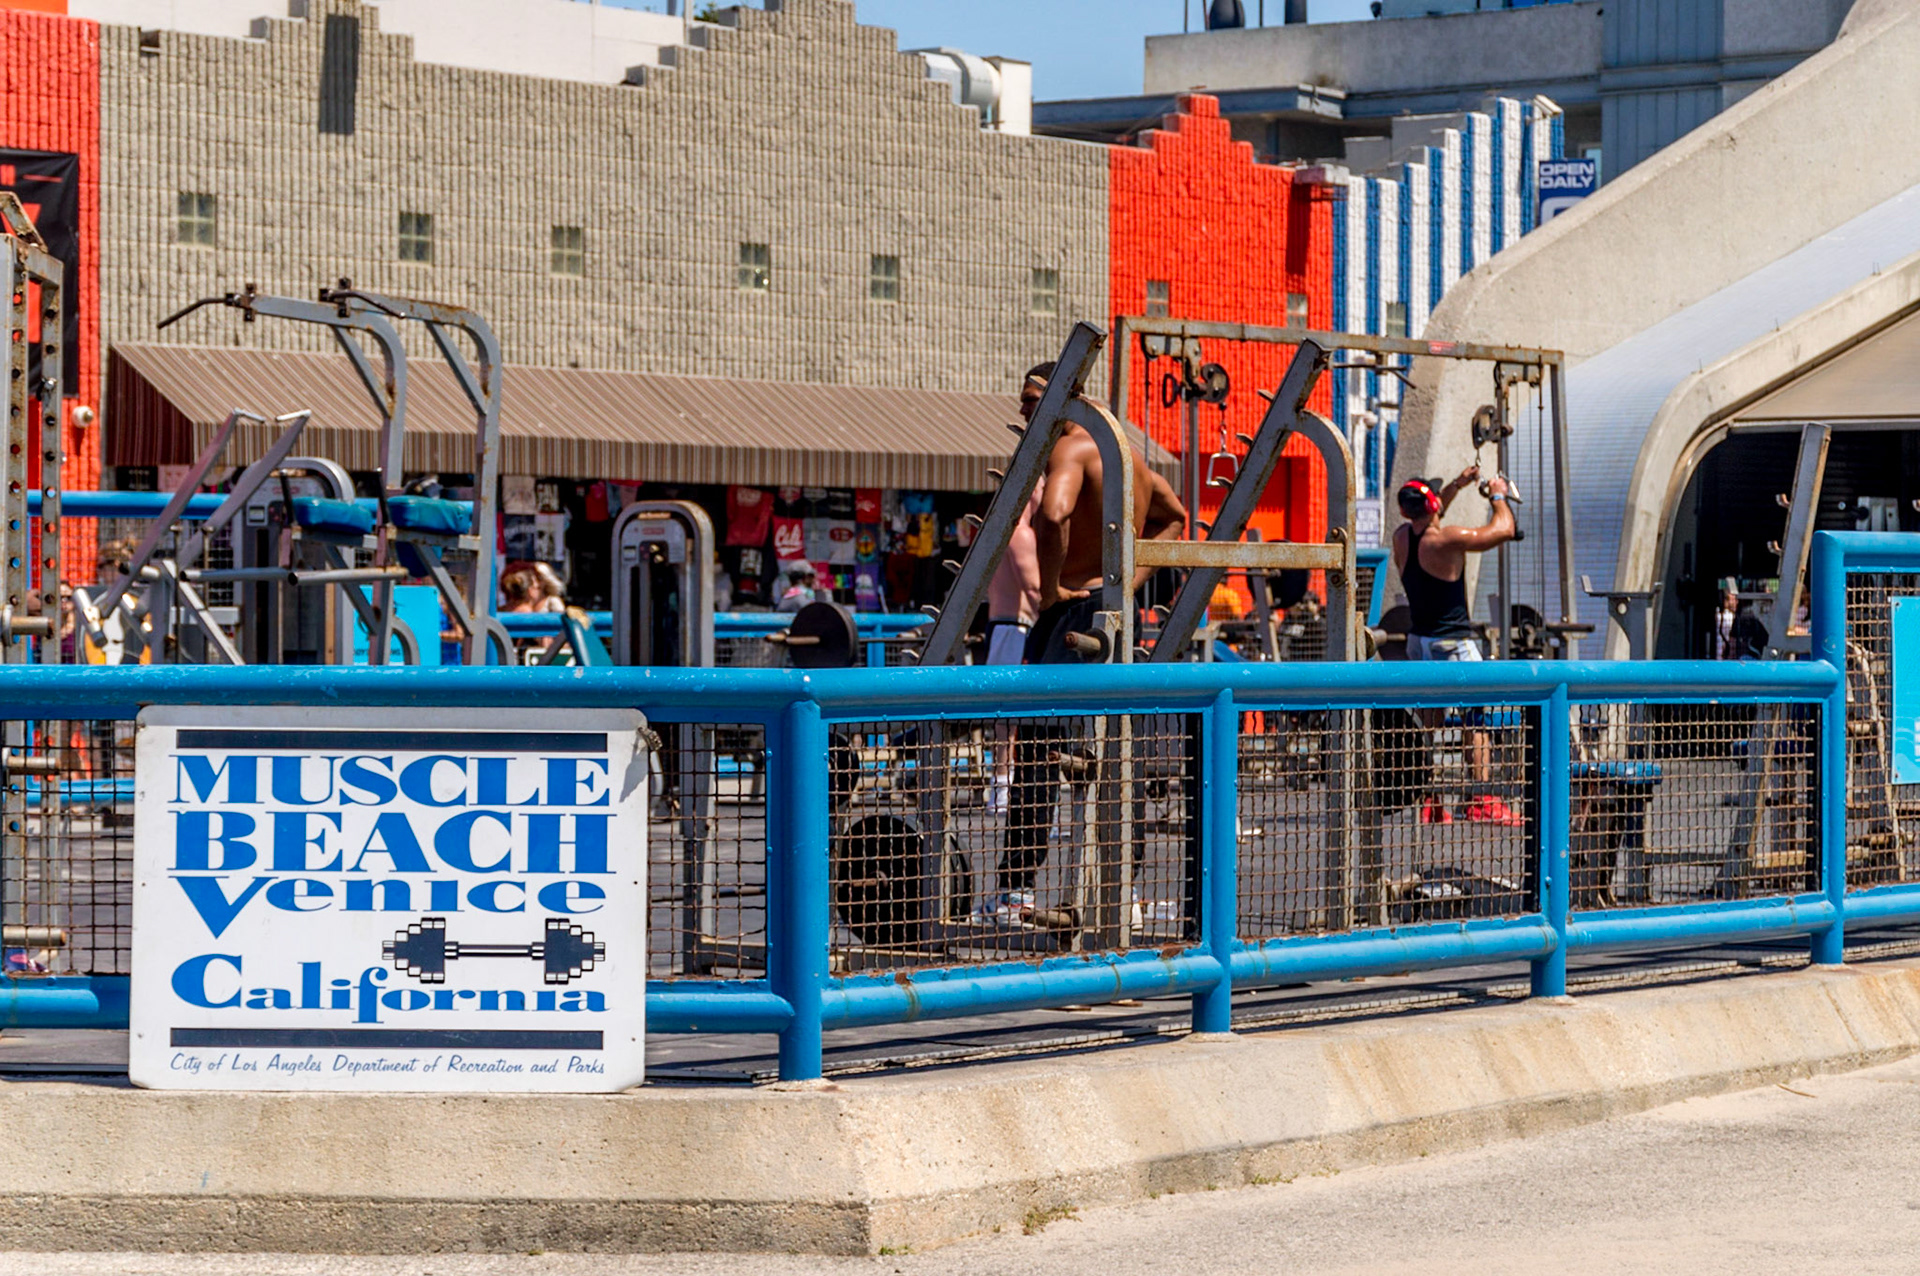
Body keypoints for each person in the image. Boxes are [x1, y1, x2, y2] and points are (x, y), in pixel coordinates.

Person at [976, 361, 1188, 923]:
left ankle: (1013, 893)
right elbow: (1176, 516)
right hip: (1114, 611)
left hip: (1072, 611)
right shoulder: (1127, 456)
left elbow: (1054, 514)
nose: (1023, 410)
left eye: (1030, 399)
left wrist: (1050, 591)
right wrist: (1126, 582)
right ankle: (1121, 895)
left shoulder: (1071, 447)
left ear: (1066, 397)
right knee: (1117, 751)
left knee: (1043, 758)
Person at [1392, 465, 1522, 826]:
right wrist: (1497, 493)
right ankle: (1482, 798)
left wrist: (1459, 485)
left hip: (1419, 641)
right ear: (1432, 505)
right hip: (1452, 643)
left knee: (1427, 720)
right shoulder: (1447, 540)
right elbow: (1504, 528)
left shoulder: (1403, 537)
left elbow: (1430, 514)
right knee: (1476, 718)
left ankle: (1428, 800)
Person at [983, 479, 1043, 813]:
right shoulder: (1020, 534)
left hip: (1004, 625)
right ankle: (1003, 788)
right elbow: (1033, 588)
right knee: (1008, 714)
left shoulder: (1000, 533)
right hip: (1015, 628)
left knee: (1006, 715)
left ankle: (1002, 786)